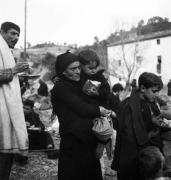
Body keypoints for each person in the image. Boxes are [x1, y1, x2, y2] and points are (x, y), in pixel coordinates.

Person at [51, 51, 109, 180]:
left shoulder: (80, 84)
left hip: (89, 140)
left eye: (79, 67)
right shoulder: (60, 88)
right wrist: (99, 110)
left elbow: (100, 98)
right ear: (63, 71)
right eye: (73, 69)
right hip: (73, 142)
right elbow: (81, 108)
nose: (78, 71)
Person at [111, 72, 163, 180]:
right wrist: (149, 135)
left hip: (148, 157)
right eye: (154, 91)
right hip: (133, 160)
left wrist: (153, 122)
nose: (157, 94)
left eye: (158, 91)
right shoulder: (129, 106)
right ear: (143, 88)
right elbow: (129, 136)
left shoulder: (151, 101)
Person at [0, 21, 29, 179]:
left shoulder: (7, 51)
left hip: (5, 109)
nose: (16, 37)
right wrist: (13, 70)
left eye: (18, 34)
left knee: (6, 155)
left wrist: (17, 73)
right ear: (2, 32)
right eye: (12, 33)